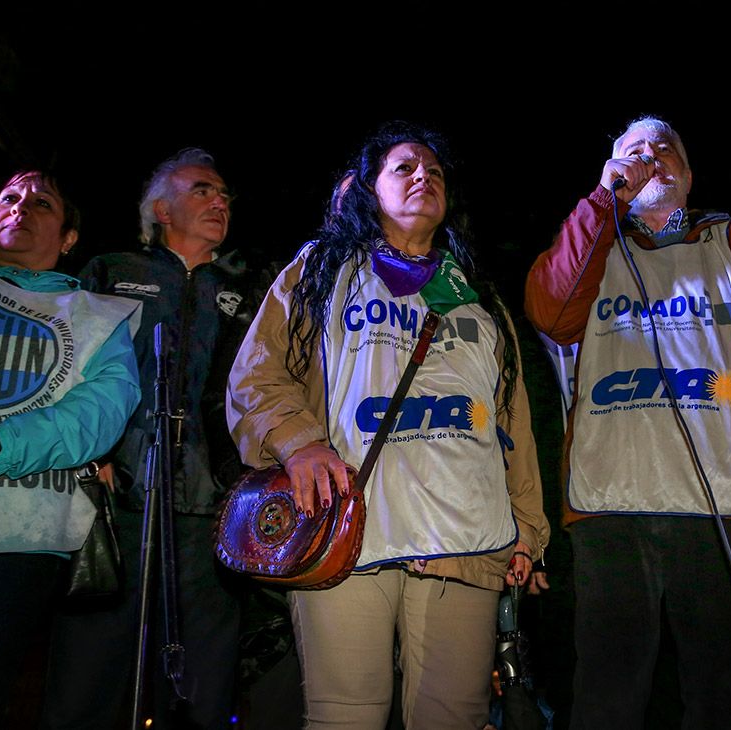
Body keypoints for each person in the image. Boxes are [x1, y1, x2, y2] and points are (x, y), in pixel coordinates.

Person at [524, 42, 731, 727]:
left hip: (720, 508)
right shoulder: (595, 249)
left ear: (689, 173)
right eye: (634, 149)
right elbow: (550, 311)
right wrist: (602, 201)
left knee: (720, 697)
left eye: (666, 147)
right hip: (612, 509)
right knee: (607, 700)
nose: (651, 156)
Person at [227, 122, 549, 729]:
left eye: (435, 171)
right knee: (345, 717)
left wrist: (528, 529)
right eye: (403, 168)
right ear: (366, 189)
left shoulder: (478, 296)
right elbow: (256, 378)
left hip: (467, 540)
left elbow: (514, 426)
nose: (423, 176)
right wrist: (299, 446)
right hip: (352, 533)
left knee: (453, 718)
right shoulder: (321, 271)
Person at [42, 148, 265, 729]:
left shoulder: (255, 285)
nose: (220, 201)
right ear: (161, 209)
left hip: (214, 505)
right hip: (119, 500)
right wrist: (97, 458)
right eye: (202, 190)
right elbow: (67, 367)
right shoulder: (112, 271)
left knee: (201, 678)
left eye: (224, 195)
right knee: (88, 670)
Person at [0, 170, 141, 730]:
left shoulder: (96, 314)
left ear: (68, 237)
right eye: (9, 197)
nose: (22, 207)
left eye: (42, 203)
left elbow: (102, 410)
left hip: (8, 542)